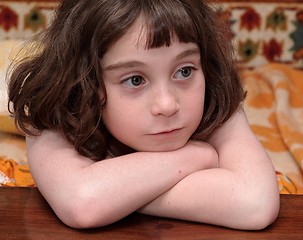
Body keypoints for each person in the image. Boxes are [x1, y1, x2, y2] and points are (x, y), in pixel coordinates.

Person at [8, 0, 279, 230]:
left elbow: (256, 203)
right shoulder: (56, 113)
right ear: (83, 82)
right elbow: (83, 203)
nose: (168, 104)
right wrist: (197, 155)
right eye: (135, 80)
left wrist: (118, 196)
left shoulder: (214, 100)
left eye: (184, 71)